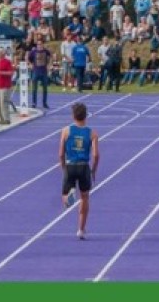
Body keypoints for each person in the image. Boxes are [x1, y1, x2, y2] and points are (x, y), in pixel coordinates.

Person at [58, 103, 100, 240]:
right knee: (85, 198)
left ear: (73, 115)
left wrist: (63, 167)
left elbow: (60, 153)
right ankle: (81, 229)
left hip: (70, 165)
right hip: (83, 166)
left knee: (65, 195)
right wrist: (93, 170)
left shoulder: (66, 131)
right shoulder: (92, 133)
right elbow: (96, 155)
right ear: (86, 115)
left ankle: (68, 199)